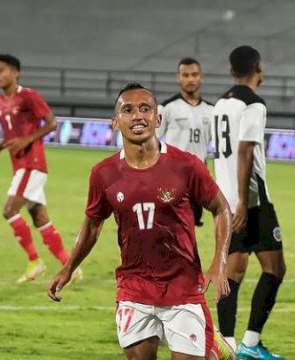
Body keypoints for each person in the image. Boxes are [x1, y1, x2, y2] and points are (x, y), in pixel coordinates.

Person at [47, 82, 234, 360]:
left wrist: (218, 262)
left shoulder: (186, 165)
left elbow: (221, 208)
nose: (137, 116)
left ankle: (212, 345)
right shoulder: (103, 174)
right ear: (115, 122)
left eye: (145, 108)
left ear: (157, 119)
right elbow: (92, 225)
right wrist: (68, 268)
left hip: (182, 287)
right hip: (134, 287)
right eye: (128, 110)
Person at [212, 45, 286, 360]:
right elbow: (244, 151)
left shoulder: (219, 104)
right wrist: (244, 201)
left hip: (224, 199)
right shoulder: (253, 104)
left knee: (234, 270)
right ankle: (250, 344)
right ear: (259, 66)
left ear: (231, 71)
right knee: (275, 268)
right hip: (251, 201)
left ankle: (225, 344)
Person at [0, 54, 79, 283]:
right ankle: (71, 267)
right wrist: (0, 146)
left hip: (32, 163)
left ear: (15, 72)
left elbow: (52, 123)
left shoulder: (28, 96)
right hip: (19, 164)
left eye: (1, 70)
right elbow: (13, 134)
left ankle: (34, 262)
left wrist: (28, 140)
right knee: (40, 217)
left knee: (9, 210)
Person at [157, 57, 214, 227]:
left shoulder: (211, 111)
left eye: (194, 75)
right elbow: (153, 142)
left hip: (199, 177)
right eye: (185, 75)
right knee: (170, 226)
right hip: (172, 176)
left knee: (191, 227)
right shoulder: (166, 108)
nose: (190, 79)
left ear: (201, 77)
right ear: (178, 77)